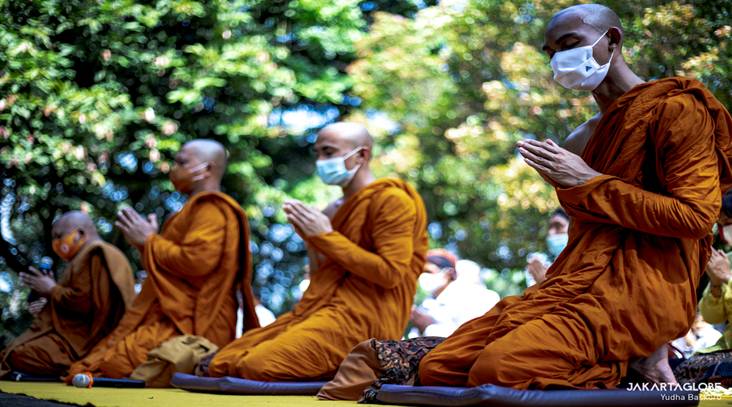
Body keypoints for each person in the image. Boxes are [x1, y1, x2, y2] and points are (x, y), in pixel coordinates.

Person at [418, 3, 732, 389]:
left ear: (611, 40)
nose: (560, 60)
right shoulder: (579, 139)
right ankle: (627, 364)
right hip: (573, 285)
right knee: (439, 368)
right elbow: (590, 236)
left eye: (570, 44)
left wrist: (589, 179)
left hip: (643, 288)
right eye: (551, 53)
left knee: (500, 370)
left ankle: (636, 365)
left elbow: (695, 217)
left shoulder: (677, 109)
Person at [206, 122, 428, 381]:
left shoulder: (391, 200)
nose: (321, 161)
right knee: (223, 361)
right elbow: (321, 276)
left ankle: (359, 367)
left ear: (362, 155)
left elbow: (390, 273)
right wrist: (313, 240)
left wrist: (326, 237)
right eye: (318, 153)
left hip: (366, 317)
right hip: (320, 310)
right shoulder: (332, 210)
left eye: (329, 152)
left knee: (258, 365)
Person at [65, 139, 259, 381]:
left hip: (197, 324)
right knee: (108, 360)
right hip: (172, 317)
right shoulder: (186, 212)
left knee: (115, 363)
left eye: (182, 162)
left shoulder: (213, 209)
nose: (173, 169)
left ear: (207, 169)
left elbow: (197, 263)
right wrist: (145, 246)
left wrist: (150, 242)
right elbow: (170, 275)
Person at [0, 211, 135, 377]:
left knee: (18, 354)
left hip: (84, 344)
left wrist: (51, 289)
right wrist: (50, 296)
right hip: (72, 339)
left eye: (59, 236)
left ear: (80, 233)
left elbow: (84, 303)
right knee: (14, 350)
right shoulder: (82, 258)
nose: (56, 243)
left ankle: (81, 365)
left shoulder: (96, 254)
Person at [412, 259, 500, 337]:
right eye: (421, 272)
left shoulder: (477, 298)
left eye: (429, 271)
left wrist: (427, 327)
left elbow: (468, 339)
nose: (423, 276)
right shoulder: (427, 303)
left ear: (449, 273)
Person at [525, 208, 570, 286]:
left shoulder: (588, 260)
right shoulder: (545, 263)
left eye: (558, 226)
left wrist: (546, 283)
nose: (551, 232)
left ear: (574, 229)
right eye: (550, 227)